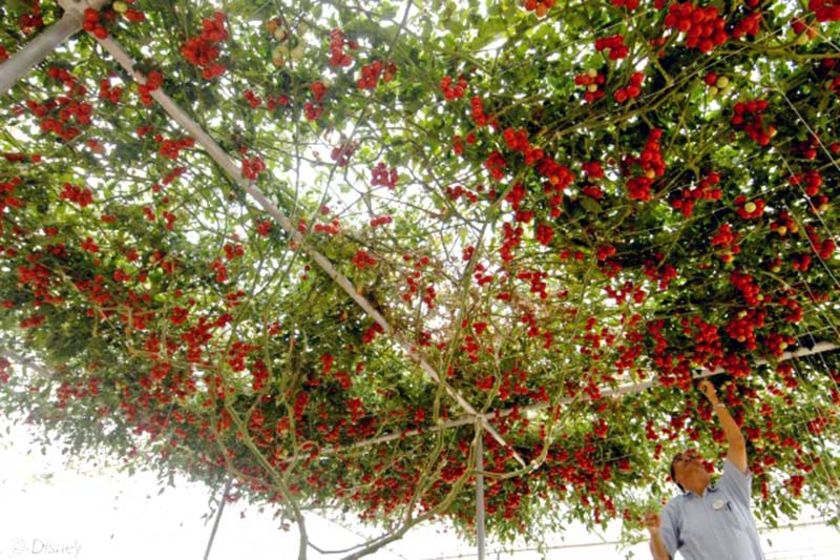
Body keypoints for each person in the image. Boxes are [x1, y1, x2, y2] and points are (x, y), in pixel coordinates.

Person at [644, 379, 765, 559]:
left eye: (692, 456)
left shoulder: (730, 488)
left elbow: (737, 443)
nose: (687, 458)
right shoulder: (676, 509)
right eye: (679, 459)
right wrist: (654, 534)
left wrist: (714, 399)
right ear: (677, 479)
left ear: (704, 467)